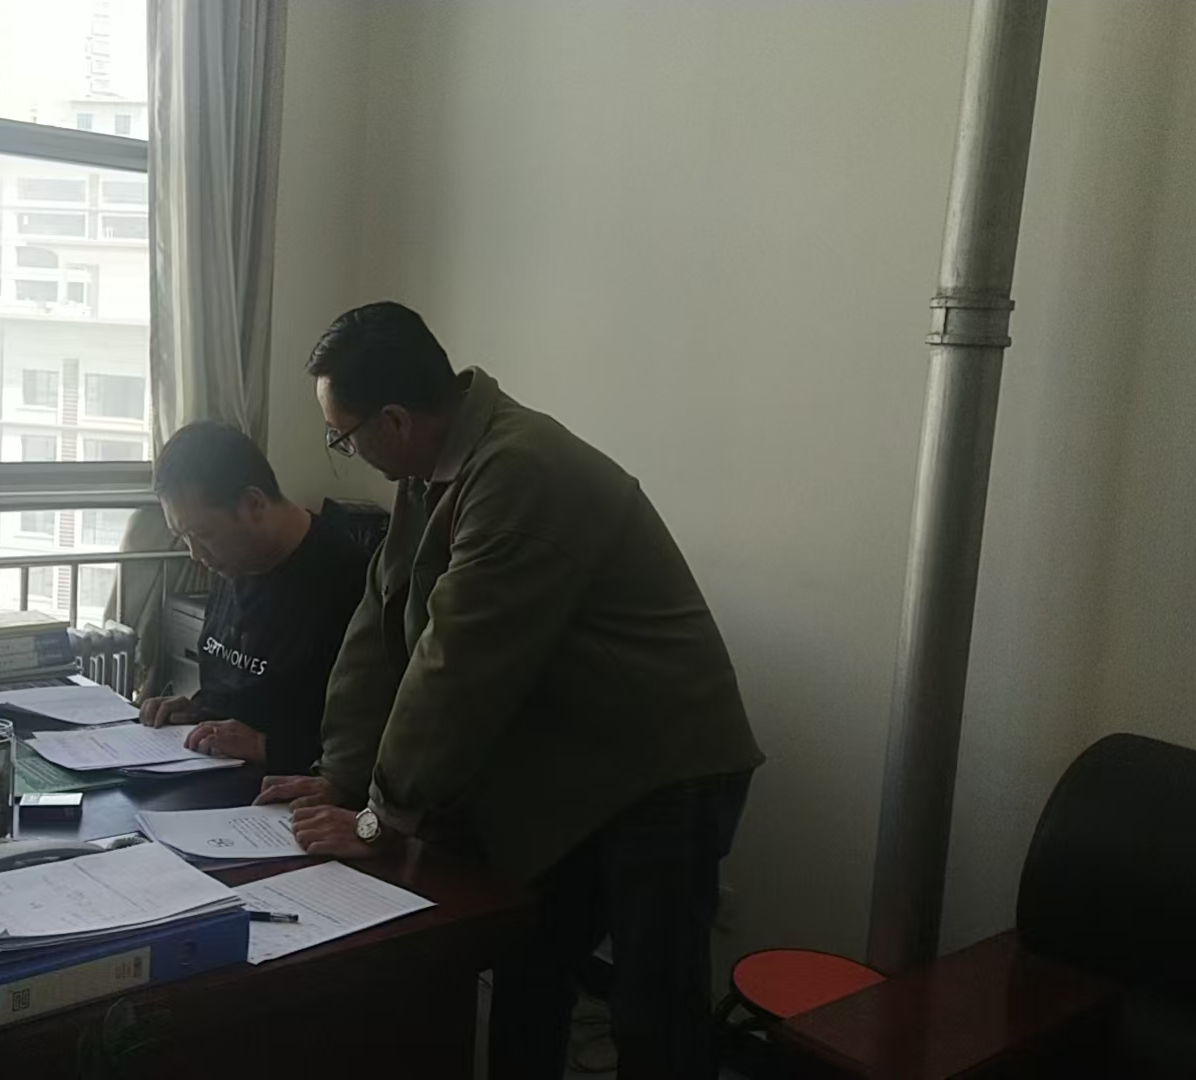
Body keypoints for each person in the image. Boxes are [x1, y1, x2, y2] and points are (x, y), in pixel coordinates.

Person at [256, 302, 764, 1080]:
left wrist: (378, 820)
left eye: (343, 436)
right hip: (577, 764)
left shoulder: (520, 472)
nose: (346, 452)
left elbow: (455, 669)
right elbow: (378, 630)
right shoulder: (430, 471)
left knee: (653, 1008)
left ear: (394, 420)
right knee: (528, 964)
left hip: (663, 766)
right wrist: (341, 776)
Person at [138, 421, 368, 775]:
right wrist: (197, 710)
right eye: (182, 536)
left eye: (202, 533)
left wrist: (267, 747)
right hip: (213, 768)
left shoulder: (348, 582)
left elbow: (367, 740)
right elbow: (237, 691)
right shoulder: (234, 561)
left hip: (283, 785)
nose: (195, 554)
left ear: (253, 504)